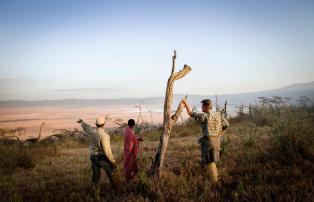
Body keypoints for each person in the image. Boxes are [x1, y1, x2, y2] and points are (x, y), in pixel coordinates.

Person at [182, 99, 229, 183]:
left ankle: (215, 183)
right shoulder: (218, 114)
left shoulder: (205, 116)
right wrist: (219, 134)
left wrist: (185, 103)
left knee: (209, 162)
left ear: (206, 106)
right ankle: (216, 179)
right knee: (213, 160)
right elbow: (226, 125)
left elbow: (190, 113)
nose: (201, 107)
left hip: (207, 141)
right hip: (217, 141)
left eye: (202, 106)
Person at [77, 117, 117, 190]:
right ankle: (115, 190)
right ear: (104, 124)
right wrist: (113, 162)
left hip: (93, 157)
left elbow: (86, 127)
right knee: (111, 174)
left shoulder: (92, 132)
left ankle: (95, 193)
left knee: (95, 176)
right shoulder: (105, 136)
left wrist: (81, 122)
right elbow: (107, 151)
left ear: (96, 124)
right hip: (102, 158)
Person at [123, 119, 143, 183]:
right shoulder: (131, 131)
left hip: (126, 148)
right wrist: (139, 139)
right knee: (131, 163)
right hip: (130, 149)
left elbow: (131, 138)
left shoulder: (126, 130)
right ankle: (130, 177)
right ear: (133, 125)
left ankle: (127, 175)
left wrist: (136, 138)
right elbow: (134, 139)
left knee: (126, 161)